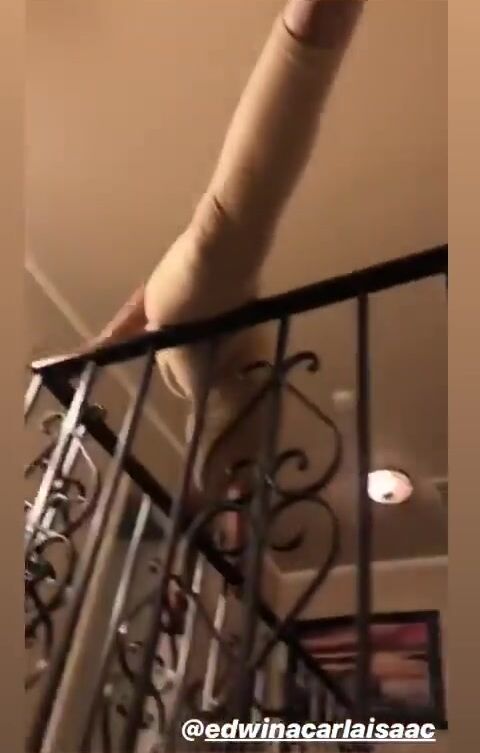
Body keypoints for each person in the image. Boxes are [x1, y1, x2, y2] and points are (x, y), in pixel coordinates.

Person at [78, 0, 366, 616]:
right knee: (233, 209)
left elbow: (155, 295)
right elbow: (224, 504)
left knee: (227, 215)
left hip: (184, 316)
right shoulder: (246, 455)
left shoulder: (211, 448)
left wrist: (98, 349)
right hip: (197, 312)